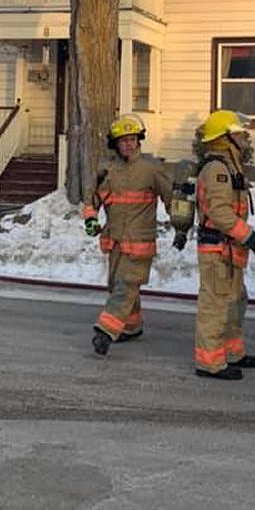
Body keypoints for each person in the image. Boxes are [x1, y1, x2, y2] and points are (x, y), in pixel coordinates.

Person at [193, 110, 255, 380]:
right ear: (225, 137)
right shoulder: (218, 169)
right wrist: (251, 237)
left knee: (235, 302)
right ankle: (210, 364)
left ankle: (232, 353)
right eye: (238, 132)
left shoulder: (230, 164)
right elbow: (220, 214)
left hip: (230, 249)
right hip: (217, 250)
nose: (244, 136)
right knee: (215, 306)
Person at [83, 114, 172, 356]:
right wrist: (90, 219)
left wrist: (182, 226)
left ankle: (105, 331)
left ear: (139, 140)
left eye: (133, 139)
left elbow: (172, 199)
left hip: (140, 241)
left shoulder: (151, 169)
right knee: (116, 286)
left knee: (126, 285)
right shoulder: (107, 170)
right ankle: (131, 326)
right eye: (124, 141)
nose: (129, 144)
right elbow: (92, 197)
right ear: (115, 144)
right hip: (114, 240)